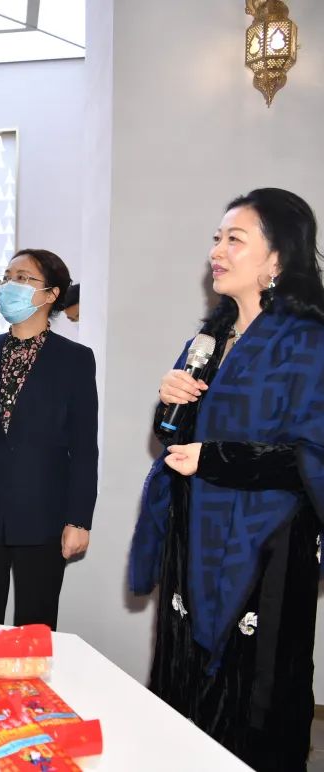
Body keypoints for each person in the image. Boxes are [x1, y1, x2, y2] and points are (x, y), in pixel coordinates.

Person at [130, 188, 324, 771]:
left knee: (253, 692)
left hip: (267, 547)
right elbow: (173, 437)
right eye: (217, 238)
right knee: (183, 676)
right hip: (193, 535)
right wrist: (170, 402)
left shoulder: (308, 344)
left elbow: (312, 454)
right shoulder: (208, 342)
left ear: (277, 258)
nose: (216, 251)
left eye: (234, 239)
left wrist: (216, 459)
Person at [0, 249, 98, 630]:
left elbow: (83, 447)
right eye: (7, 277)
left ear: (51, 294)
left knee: (35, 626)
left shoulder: (75, 359)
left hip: (43, 512)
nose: (11, 285)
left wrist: (79, 519)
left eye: (23, 278)